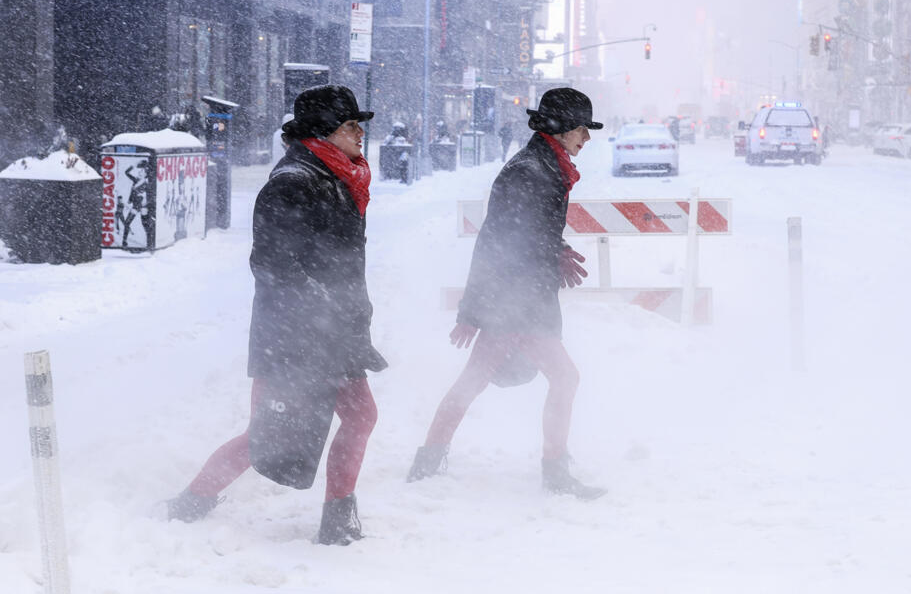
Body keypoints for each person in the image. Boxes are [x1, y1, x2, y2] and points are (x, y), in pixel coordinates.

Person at [166, 84, 387, 546]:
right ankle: (189, 503)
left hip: (334, 333)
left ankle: (337, 518)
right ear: (325, 130)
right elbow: (272, 265)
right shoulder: (294, 181)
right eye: (350, 125)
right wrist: (324, 312)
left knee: (360, 415)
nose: (359, 134)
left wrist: (348, 318)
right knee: (265, 439)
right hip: (296, 337)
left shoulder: (337, 176)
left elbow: (338, 261)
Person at [407, 87, 605, 501]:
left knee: (479, 379)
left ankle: (429, 459)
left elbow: (532, 232)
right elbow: (499, 240)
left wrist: (558, 250)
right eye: (582, 130)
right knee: (562, 378)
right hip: (516, 298)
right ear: (563, 128)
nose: (586, 139)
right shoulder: (530, 170)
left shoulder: (546, 165)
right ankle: (553, 470)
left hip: (521, 295)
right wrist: (472, 310)